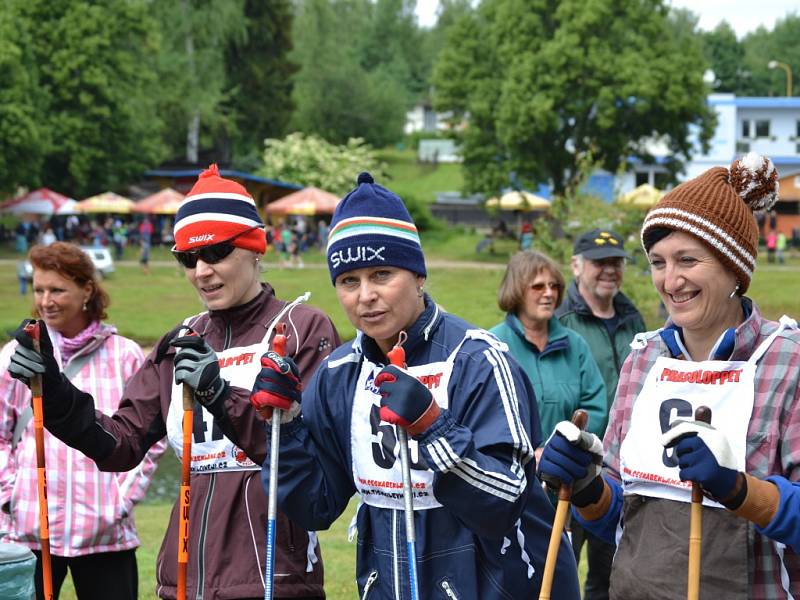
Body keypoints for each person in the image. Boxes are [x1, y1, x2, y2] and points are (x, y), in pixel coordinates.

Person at [7, 166, 341, 600]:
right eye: (188, 257)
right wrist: (51, 389)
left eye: (216, 252)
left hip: (273, 578)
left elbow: (313, 467)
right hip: (184, 581)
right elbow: (121, 443)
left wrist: (221, 395)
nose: (201, 271)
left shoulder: (301, 328)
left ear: (255, 248)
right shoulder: (180, 340)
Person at [251, 173, 581, 599]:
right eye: (349, 281)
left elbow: (504, 499)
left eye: (382, 274)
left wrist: (432, 427)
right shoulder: (339, 373)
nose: (365, 295)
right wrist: (286, 424)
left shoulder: (479, 359)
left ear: (418, 275)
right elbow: (316, 505)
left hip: (495, 584)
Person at [539, 153, 800, 599]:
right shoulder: (644, 359)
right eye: (658, 263)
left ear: (734, 267)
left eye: (687, 260)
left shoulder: (786, 360)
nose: (671, 281)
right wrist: (585, 487)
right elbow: (623, 515)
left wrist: (738, 489)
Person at [1, 242, 166, 600]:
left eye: (58, 289)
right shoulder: (17, 355)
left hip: (105, 533)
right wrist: (9, 499)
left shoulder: (124, 354)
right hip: (30, 530)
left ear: (87, 289)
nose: (46, 301)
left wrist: (121, 501)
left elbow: (150, 435)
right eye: (40, 289)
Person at [554, 227, 646, 599]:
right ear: (577, 267)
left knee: (609, 576)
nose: (609, 270)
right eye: (598, 263)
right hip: (573, 467)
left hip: (620, 470)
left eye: (615, 262)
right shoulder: (561, 320)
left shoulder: (632, 317)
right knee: (561, 568)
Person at [489, 250, 606, 447]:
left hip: (569, 467)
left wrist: (564, 450)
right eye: (538, 286)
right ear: (516, 291)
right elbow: (487, 416)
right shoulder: (493, 346)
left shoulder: (575, 345)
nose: (549, 293)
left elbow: (595, 409)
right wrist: (527, 455)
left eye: (554, 286)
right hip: (512, 469)